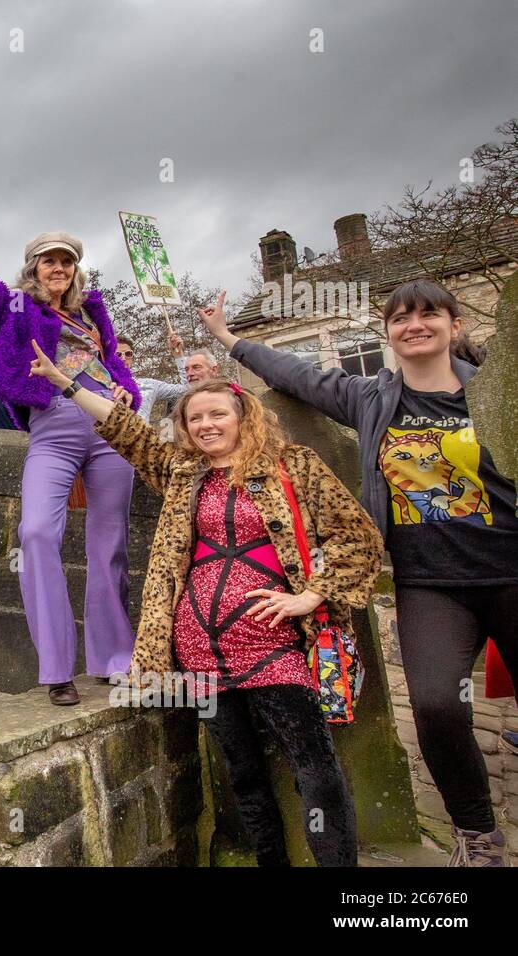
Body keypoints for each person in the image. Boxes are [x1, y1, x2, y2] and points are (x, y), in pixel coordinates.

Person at [198, 279, 517, 866]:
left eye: (428, 314)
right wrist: (228, 339)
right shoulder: (372, 400)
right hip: (430, 583)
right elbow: (297, 375)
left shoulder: (495, 393)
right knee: (437, 703)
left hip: (510, 569)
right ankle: (478, 834)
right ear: (388, 332)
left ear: (455, 324)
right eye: (401, 318)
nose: (414, 325)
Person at [31, 345, 382, 866]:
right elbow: (128, 431)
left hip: (275, 648)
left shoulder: (295, 466)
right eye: (194, 418)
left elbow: (358, 537)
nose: (206, 425)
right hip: (200, 651)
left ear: (244, 416)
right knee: (242, 774)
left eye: (217, 414)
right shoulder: (180, 470)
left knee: (315, 769)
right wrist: (66, 383)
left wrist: (310, 594)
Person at [0, 177, 141, 705]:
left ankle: (113, 659)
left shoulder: (92, 313)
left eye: (66, 261)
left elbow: (114, 367)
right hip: (53, 427)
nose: (58, 269)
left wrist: (128, 394)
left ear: (75, 270)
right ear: (33, 268)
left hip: (108, 427)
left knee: (110, 543)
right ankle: (56, 667)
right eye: (47, 260)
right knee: (36, 533)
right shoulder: (15, 309)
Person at [116, 332, 189, 425]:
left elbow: (186, 389)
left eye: (128, 354)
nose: (123, 358)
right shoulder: (100, 383)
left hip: (140, 438)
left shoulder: (148, 385)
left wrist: (179, 356)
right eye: (118, 354)